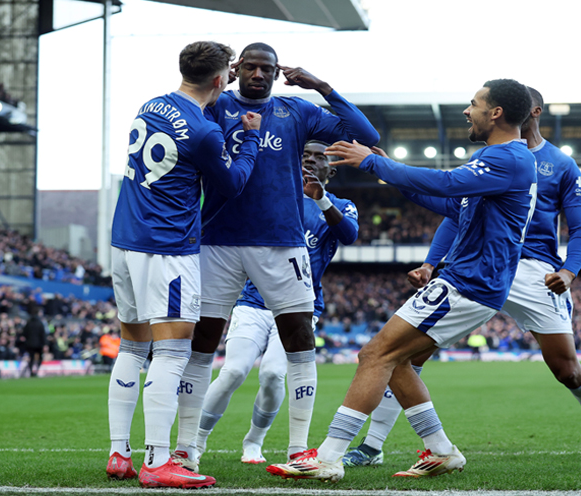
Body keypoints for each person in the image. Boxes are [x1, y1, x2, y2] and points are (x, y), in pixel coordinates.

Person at [343, 86, 581, 468]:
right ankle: (372, 446)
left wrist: (568, 270)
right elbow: (457, 212)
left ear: (532, 112)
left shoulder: (559, 164)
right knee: (406, 354)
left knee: (566, 368)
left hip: (533, 271)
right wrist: (432, 262)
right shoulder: (490, 155)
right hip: (481, 266)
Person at [266, 79, 536, 481]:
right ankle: (442, 451)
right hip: (471, 282)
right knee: (396, 361)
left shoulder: (507, 159)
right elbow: (449, 203)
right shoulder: (504, 160)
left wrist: (373, 163)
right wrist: (387, 169)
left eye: (474, 103)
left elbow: (445, 184)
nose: (467, 110)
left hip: (468, 283)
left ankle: (327, 456)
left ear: (495, 113)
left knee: (374, 355)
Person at [173, 42, 378, 472]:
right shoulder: (215, 106)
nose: (259, 74)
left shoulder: (296, 111)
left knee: (300, 341)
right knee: (204, 343)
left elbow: (367, 136)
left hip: (281, 242)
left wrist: (320, 85)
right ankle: (187, 449)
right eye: (250, 67)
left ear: (276, 72)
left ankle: (299, 449)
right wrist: (212, 87)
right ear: (237, 68)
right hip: (218, 241)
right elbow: (180, 117)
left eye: (267, 68)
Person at [106, 40, 262, 489]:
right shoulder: (205, 130)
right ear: (218, 79)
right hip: (167, 248)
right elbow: (231, 183)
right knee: (173, 353)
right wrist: (250, 137)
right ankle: (158, 460)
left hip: (124, 241)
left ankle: (120, 452)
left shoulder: (151, 103)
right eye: (229, 73)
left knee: (132, 347)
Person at [192, 141, 359, 465]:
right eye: (304, 156)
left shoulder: (339, 205)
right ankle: (195, 442)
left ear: (331, 170)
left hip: (299, 308)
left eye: (318, 158)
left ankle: (254, 441)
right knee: (233, 372)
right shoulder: (270, 197)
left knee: (271, 374)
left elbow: (349, 234)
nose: (310, 161)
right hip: (253, 302)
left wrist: (320, 197)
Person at [19, 307, 46, 378]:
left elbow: (24, 333)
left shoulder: (28, 323)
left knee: (31, 358)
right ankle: (36, 371)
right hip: (38, 344)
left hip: (29, 344)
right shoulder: (40, 323)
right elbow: (43, 334)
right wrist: (45, 344)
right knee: (40, 358)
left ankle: (31, 371)